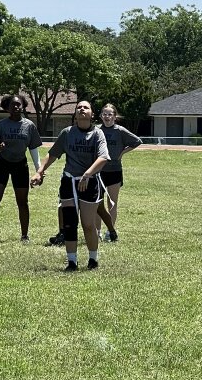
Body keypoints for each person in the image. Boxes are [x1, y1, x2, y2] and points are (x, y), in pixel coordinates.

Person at [30, 100, 109, 271]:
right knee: (70, 223)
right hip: (69, 181)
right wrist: (39, 171)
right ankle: (72, 262)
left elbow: (103, 158)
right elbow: (52, 154)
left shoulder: (97, 134)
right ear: (75, 114)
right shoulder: (67, 133)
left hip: (90, 182)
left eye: (86, 107)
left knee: (88, 224)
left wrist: (87, 174)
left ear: (91, 114)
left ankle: (93, 259)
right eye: (79, 107)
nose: (82, 109)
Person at [0, 94, 42, 243]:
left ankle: (24, 235)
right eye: (12, 105)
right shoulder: (0, 125)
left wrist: (39, 171)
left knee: (22, 201)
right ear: (7, 107)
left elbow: (33, 149)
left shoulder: (29, 126)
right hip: (2, 163)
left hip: (20, 165)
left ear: (23, 106)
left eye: (18, 104)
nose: (16, 107)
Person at [96, 103, 143, 242]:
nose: (107, 116)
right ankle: (96, 232)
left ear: (115, 116)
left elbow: (137, 141)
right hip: (99, 172)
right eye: (104, 114)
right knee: (97, 203)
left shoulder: (120, 130)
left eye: (110, 114)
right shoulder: (96, 130)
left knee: (112, 203)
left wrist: (122, 152)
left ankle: (110, 232)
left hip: (115, 170)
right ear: (101, 116)